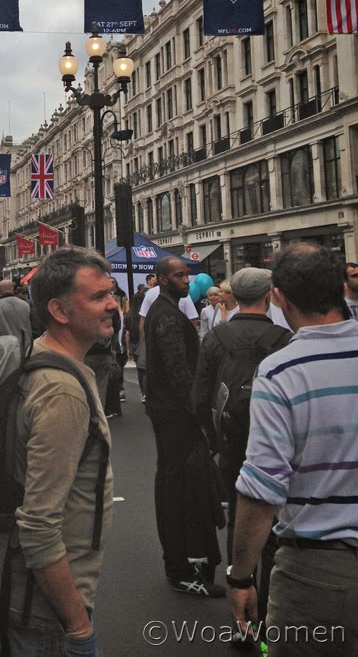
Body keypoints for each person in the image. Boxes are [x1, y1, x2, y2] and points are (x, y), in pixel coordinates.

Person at [0, 246, 114, 656]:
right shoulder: (62, 391)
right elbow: (39, 525)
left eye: (110, 293)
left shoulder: (45, 357)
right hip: (45, 609)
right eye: (97, 297)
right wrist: (77, 625)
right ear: (59, 310)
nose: (113, 304)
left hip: (22, 593)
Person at [228, 243, 358, 655]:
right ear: (341, 286)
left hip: (320, 571)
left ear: (279, 297)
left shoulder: (282, 370)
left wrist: (241, 576)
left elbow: (263, 486)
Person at [192, 267, 291, 624]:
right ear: (269, 295)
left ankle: (242, 606)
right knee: (275, 515)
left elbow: (201, 393)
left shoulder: (217, 337)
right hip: (275, 436)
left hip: (232, 436)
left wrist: (211, 436)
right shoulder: (283, 338)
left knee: (240, 512)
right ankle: (268, 606)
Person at [145, 255, 225, 596]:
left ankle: (182, 560)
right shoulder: (166, 316)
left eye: (187, 275)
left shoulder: (169, 311)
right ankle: (180, 566)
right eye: (179, 276)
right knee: (177, 488)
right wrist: (201, 417)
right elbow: (179, 371)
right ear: (162, 279)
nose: (186, 281)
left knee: (176, 485)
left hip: (172, 413)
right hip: (176, 416)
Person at [0, 278, 33, 349]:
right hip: (26, 348)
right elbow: (34, 327)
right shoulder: (25, 305)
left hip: (5, 350)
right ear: (13, 289)